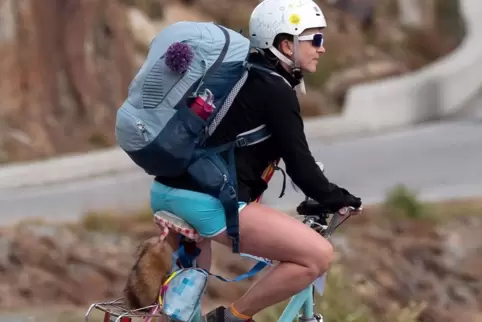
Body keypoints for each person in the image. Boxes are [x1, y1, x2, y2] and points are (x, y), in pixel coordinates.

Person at [150, 0, 362, 321]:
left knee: (182, 313)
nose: (322, 48)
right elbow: (301, 166)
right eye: (314, 39)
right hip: (208, 203)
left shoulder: (238, 75)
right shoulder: (275, 90)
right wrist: (337, 198)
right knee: (316, 257)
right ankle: (233, 317)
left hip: (169, 190)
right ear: (285, 44)